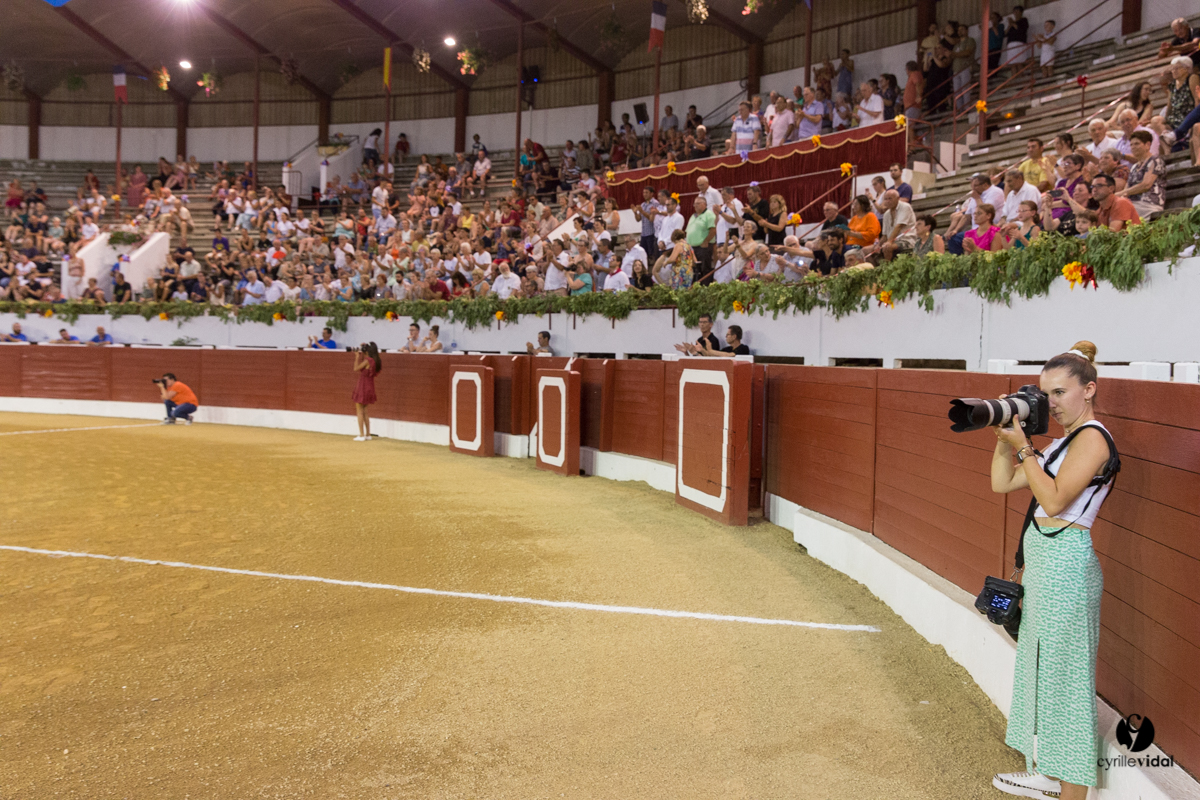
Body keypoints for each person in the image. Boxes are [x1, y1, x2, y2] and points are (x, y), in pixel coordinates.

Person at [990, 342, 1116, 800]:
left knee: (1066, 685)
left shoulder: (1095, 438)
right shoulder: (1064, 441)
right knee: (1041, 672)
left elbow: (1057, 500)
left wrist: (1025, 448)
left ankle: (1070, 789)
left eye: (1060, 392)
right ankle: (1047, 772)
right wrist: (1006, 438)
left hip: (1067, 565)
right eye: (1046, 394)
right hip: (1047, 564)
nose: (1052, 403)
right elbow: (1001, 483)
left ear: (1089, 390)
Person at [1117, 130, 1165, 218]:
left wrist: (1119, 194)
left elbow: (1146, 185)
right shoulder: (1134, 167)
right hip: (1133, 204)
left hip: (1149, 204)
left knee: (1120, 210)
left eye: (1137, 144)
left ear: (1147, 145)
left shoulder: (1155, 161)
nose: (1133, 147)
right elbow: (1126, 189)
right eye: (1131, 144)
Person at [351, 342, 381, 441]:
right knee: (365, 412)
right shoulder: (374, 361)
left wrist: (356, 357)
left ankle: (361, 435)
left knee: (359, 411)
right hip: (370, 386)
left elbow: (356, 368)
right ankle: (367, 434)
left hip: (363, 386)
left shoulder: (367, 360)